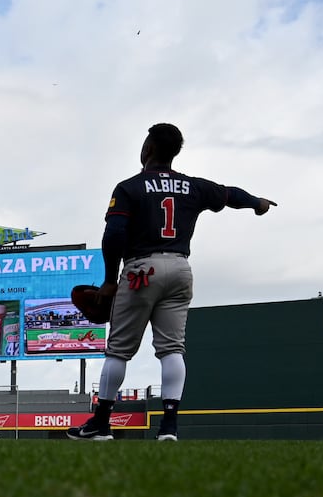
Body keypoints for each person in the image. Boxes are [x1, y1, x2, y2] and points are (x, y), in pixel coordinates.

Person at [68, 122, 276, 442]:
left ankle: (100, 423)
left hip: (141, 270)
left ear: (148, 148)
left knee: (119, 351)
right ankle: (169, 427)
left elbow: (114, 234)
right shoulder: (194, 186)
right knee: (171, 349)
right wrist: (257, 202)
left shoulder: (129, 187)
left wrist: (109, 280)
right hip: (180, 268)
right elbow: (230, 194)